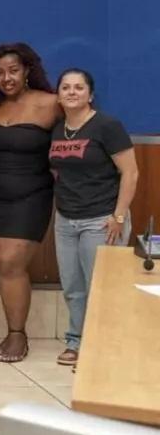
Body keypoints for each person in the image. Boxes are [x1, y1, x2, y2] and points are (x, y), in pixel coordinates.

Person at [0, 43, 59, 363]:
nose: (6, 78)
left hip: (31, 195)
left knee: (10, 261)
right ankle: (12, 330)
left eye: (13, 70)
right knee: (0, 264)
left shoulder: (52, 103)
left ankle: (17, 335)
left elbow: (81, 133)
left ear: (27, 72)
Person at [49, 69, 137, 367]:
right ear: (58, 94)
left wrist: (119, 216)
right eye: (66, 87)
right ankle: (75, 341)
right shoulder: (58, 129)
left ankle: (103, 346)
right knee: (73, 287)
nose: (72, 92)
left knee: (102, 288)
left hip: (101, 220)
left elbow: (131, 172)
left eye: (79, 87)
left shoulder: (107, 126)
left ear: (90, 94)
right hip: (66, 220)